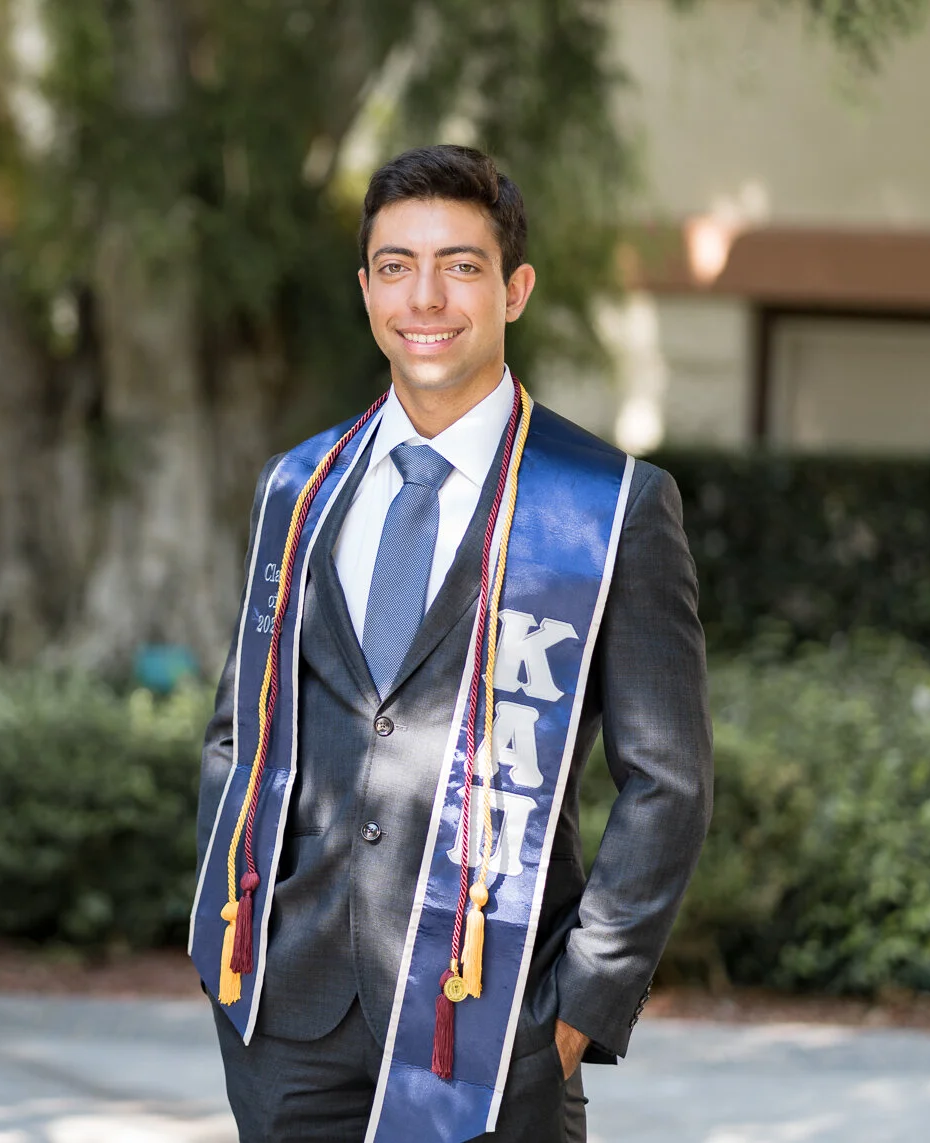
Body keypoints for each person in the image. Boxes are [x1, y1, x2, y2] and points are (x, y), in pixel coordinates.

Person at [190, 144, 713, 1143]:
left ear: (513, 290)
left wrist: (575, 1012)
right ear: (366, 289)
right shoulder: (298, 489)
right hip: (289, 1023)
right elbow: (239, 733)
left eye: (459, 266)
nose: (424, 296)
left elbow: (667, 782)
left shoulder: (605, 510)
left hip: (489, 1017)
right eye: (396, 265)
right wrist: (231, 943)